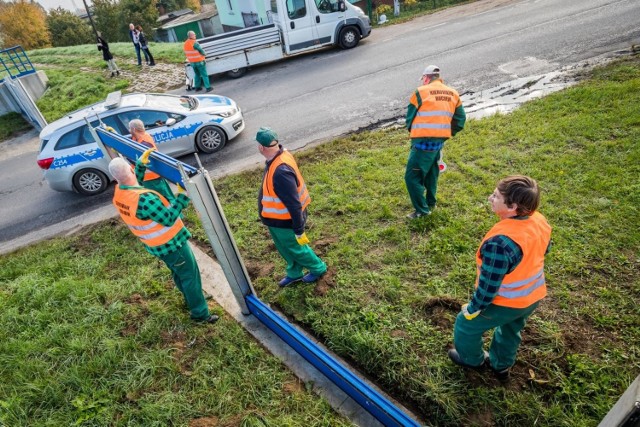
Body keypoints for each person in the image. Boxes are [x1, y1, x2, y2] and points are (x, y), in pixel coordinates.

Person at [448, 175, 552, 382]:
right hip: (532, 296)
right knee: (511, 329)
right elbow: (545, 249)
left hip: (507, 302)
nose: (490, 198)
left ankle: (472, 359)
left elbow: (488, 287)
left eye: (496, 196)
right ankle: (501, 365)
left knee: (466, 326)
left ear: (512, 206)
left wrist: (473, 308)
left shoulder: (500, 244)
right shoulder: (539, 221)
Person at [108, 154, 219, 324]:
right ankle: (200, 314)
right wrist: (182, 197)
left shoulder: (120, 194)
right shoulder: (145, 199)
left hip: (156, 247)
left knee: (179, 273)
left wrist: (140, 166)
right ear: (129, 169)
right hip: (172, 245)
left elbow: (130, 182)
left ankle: (191, 298)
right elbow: (168, 219)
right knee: (190, 276)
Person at [256, 127, 327, 287]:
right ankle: (294, 272)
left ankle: (318, 268)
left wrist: (298, 229)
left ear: (261, 147)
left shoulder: (280, 171)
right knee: (285, 249)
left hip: (286, 222)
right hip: (275, 220)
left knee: (297, 249)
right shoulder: (280, 155)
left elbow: (294, 204)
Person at [405, 65, 466, 219]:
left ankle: (422, 211)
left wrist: (416, 134)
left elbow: (409, 118)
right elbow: (460, 120)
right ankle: (430, 203)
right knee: (432, 172)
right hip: (439, 142)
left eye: (423, 79)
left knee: (412, 177)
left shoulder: (420, 92)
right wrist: (445, 133)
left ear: (426, 78)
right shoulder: (453, 93)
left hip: (422, 143)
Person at [128, 119, 174, 202]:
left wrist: (125, 154)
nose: (129, 130)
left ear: (134, 129)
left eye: (129, 128)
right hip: (148, 178)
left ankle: (176, 214)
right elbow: (130, 141)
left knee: (163, 199)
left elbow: (136, 161)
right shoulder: (140, 137)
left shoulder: (145, 144)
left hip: (152, 178)